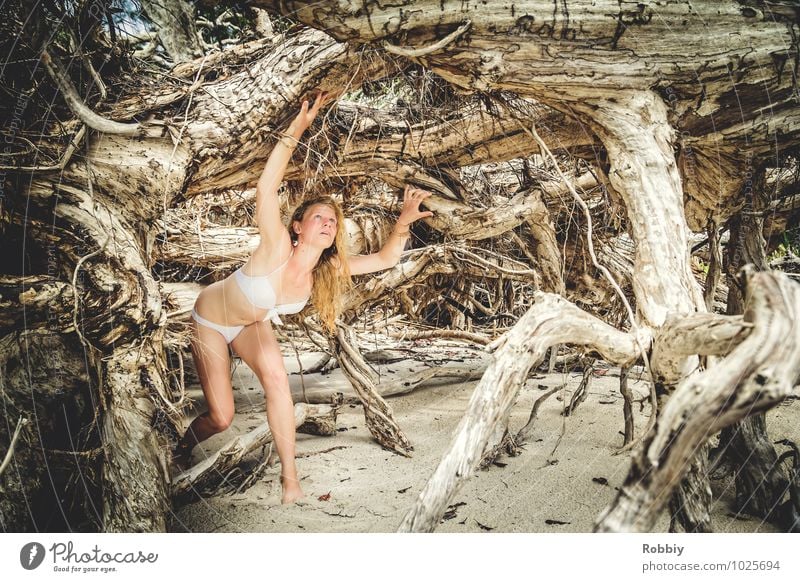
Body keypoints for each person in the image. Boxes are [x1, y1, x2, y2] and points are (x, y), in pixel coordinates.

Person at [174, 91, 434, 504]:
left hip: (250, 324)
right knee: (221, 417)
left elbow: (386, 258)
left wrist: (403, 221)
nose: (329, 223)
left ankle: (289, 481)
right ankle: (180, 447)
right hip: (210, 319)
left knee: (279, 383)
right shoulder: (277, 246)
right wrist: (298, 128)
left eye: (334, 221)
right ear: (298, 226)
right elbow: (266, 187)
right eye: (319, 217)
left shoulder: (325, 271)